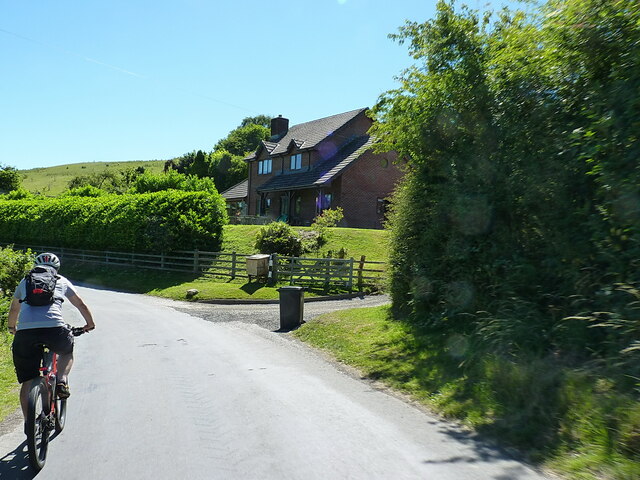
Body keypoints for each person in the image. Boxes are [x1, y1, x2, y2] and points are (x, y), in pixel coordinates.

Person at [7, 252, 95, 423]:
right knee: (66, 351)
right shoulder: (61, 280)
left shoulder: (25, 281)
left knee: (27, 380)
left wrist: (12, 328)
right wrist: (89, 324)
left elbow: (14, 309)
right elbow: (80, 304)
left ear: (35, 266)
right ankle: (61, 380)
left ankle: (29, 424)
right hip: (54, 329)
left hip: (26, 333)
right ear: (57, 267)